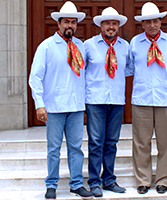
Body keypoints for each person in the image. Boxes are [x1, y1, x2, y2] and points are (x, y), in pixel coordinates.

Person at [28, 1, 93, 199]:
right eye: (66, 22)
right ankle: (51, 185)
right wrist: (39, 104)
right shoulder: (46, 47)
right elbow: (35, 77)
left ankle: (76, 184)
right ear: (59, 24)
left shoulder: (81, 46)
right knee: (54, 148)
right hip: (54, 107)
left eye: (73, 22)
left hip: (75, 107)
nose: (70, 26)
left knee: (76, 148)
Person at [128, 1, 167, 195]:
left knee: (165, 142)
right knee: (141, 142)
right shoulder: (134, 43)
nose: (152, 25)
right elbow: (128, 67)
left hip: (165, 99)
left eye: (155, 21)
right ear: (142, 24)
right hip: (141, 98)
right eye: (148, 22)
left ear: (160, 22)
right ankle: (142, 179)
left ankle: (163, 180)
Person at [83, 6, 129, 197]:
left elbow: (129, 69)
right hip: (95, 100)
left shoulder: (125, 46)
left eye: (114, 23)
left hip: (116, 100)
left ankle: (109, 179)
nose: (111, 27)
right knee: (95, 142)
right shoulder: (89, 45)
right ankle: (94, 182)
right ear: (101, 25)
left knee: (111, 142)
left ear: (118, 26)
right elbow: (81, 71)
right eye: (107, 23)